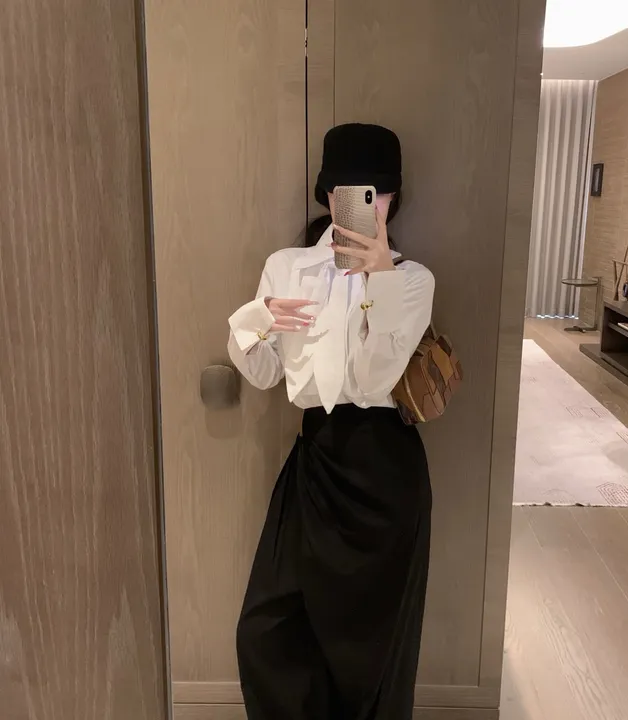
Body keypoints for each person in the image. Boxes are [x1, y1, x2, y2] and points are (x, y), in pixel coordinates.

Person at [228, 123, 434, 720]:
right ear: (328, 195)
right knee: (267, 631)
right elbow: (265, 375)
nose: (367, 204)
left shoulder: (413, 280)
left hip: (387, 470)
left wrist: (379, 279)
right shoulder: (287, 267)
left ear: (393, 198)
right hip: (316, 460)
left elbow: (373, 378)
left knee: (375, 648)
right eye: (351, 191)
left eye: (378, 192)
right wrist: (256, 321)